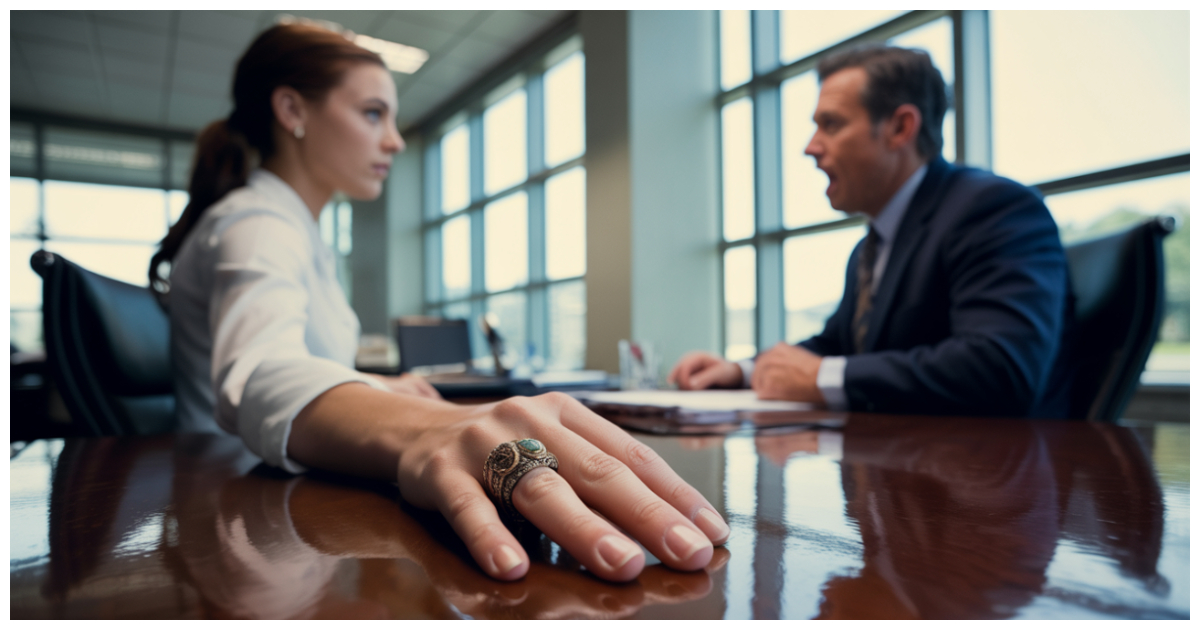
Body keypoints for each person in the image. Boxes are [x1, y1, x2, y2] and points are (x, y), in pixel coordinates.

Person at [149, 23, 729, 584]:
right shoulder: (257, 223)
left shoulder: (296, 230)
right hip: (240, 516)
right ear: (293, 112)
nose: (395, 140)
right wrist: (427, 427)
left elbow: (294, 363)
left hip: (278, 504)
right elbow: (259, 374)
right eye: (373, 113)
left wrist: (373, 388)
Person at [670, 44, 1073, 417]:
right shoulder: (872, 247)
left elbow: (1001, 367)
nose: (810, 147)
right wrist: (740, 371)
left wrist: (824, 377)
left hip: (989, 481)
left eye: (831, 124)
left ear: (900, 128)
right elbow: (836, 347)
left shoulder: (994, 209)